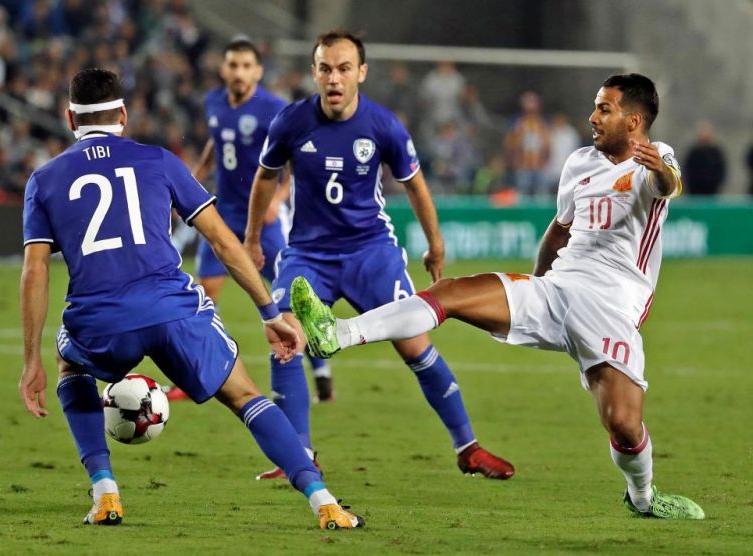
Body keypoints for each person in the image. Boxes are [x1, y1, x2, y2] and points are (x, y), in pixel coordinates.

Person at [291, 73, 705, 520]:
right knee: (449, 293)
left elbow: (668, 185)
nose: (593, 116)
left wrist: (658, 168)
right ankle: (337, 332)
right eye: (595, 106)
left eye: (604, 108)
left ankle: (642, 496)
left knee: (623, 425)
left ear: (634, 121)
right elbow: (560, 229)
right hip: (558, 291)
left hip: (612, 309)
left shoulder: (655, 159)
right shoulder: (580, 163)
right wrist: (535, 285)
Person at [18, 68, 363, 530]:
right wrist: (269, 311)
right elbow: (222, 241)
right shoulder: (159, 160)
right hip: (172, 309)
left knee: (70, 364)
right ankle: (324, 502)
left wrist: (30, 359)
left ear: (69, 118)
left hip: (100, 319)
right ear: (123, 115)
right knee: (245, 396)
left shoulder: (44, 180)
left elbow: (35, 270)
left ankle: (105, 492)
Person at [244, 30, 514, 481]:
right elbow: (265, 178)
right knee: (284, 339)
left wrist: (436, 243)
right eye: (326, 68)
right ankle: (298, 457)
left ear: (361, 73)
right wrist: (253, 238)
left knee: (414, 343)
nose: (334, 78)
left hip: (370, 252)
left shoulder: (383, 125)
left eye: (344, 68)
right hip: (308, 254)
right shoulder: (290, 122)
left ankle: (468, 447)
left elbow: (415, 184)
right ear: (314, 72)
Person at [164, 38, 335, 404]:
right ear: (223, 69)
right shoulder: (213, 102)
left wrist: (279, 197)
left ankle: (321, 370)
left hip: (264, 218)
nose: (239, 72)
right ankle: (202, 375)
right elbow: (215, 146)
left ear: (258, 71)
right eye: (233, 65)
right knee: (205, 294)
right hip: (224, 215)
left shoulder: (274, 108)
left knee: (291, 295)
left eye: (246, 66)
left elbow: (298, 160)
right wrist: (190, 181)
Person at [684, 122, 726, 196]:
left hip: (712, 190)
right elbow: (688, 169)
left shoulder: (716, 153)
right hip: (694, 190)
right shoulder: (693, 152)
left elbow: (721, 169)